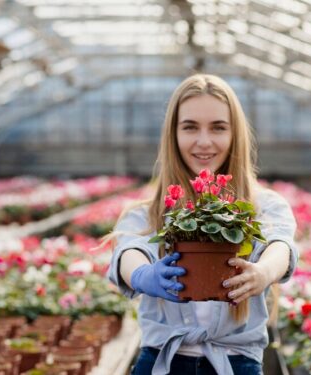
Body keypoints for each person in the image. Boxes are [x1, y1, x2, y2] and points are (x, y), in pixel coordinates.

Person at [107, 74, 298, 375]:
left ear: (235, 134)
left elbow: (279, 245)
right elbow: (131, 249)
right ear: (173, 135)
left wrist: (263, 272)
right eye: (190, 127)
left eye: (218, 128)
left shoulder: (266, 206)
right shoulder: (148, 212)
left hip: (236, 361)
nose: (204, 141)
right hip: (161, 361)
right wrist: (143, 274)